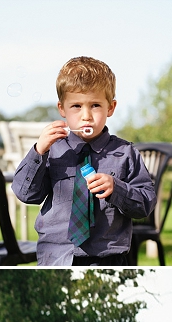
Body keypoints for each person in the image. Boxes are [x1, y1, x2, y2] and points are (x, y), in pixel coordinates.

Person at [11, 56, 156, 266]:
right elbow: (25, 194)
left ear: (111, 108)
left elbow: (145, 204)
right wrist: (38, 151)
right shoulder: (52, 150)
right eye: (76, 106)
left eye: (95, 105)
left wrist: (118, 189)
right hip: (56, 258)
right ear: (62, 109)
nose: (86, 115)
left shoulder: (125, 152)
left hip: (109, 259)